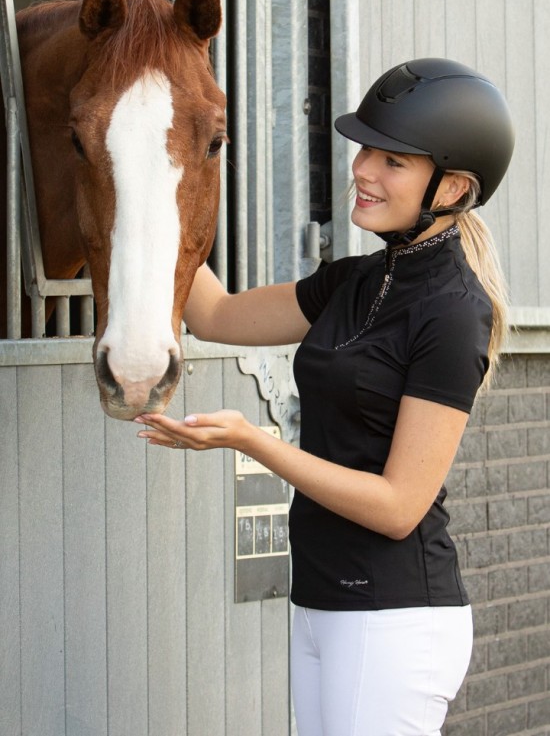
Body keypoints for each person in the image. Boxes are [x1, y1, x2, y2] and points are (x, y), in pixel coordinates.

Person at [135, 57, 514, 736]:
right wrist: (153, 197)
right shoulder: (356, 282)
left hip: (394, 617)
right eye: (365, 148)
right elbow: (215, 314)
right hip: (323, 602)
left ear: (452, 185)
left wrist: (254, 441)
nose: (363, 168)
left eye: (393, 160)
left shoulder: (455, 312)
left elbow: (400, 506)